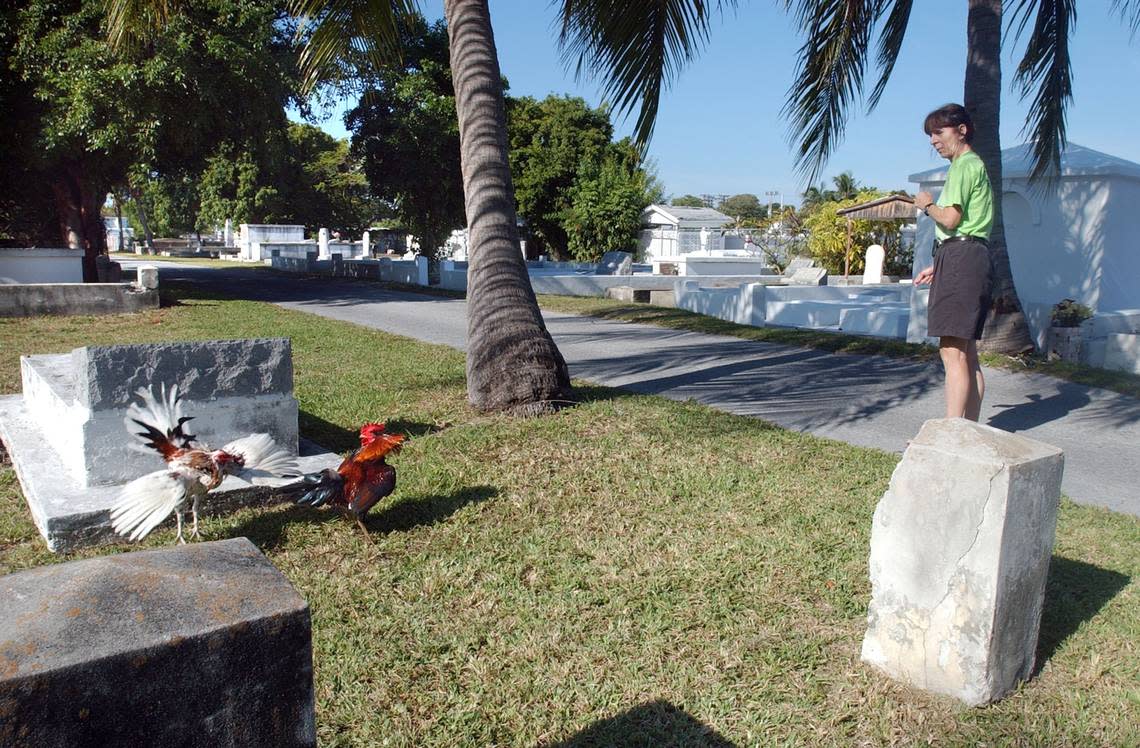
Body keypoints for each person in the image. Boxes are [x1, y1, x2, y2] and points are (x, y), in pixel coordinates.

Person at [912, 103, 994, 421]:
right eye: (930, 135)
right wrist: (942, 264)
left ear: (962, 130)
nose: (934, 140)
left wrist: (927, 204)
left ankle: (951, 433)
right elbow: (967, 227)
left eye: (939, 132)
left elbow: (950, 218)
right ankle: (969, 430)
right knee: (967, 352)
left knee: (951, 349)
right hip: (969, 256)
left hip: (962, 256)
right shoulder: (974, 165)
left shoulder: (963, 165)